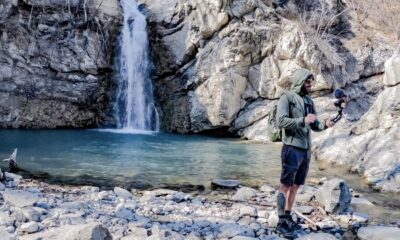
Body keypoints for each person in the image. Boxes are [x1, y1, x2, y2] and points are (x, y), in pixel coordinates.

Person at [275, 68, 335, 236]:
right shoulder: (286, 98)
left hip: (306, 150)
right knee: (285, 185)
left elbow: (315, 125)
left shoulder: (309, 100)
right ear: (300, 81)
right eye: (308, 82)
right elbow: (281, 121)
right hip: (291, 148)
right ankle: (281, 221)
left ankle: (287, 216)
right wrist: (302, 120)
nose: (311, 85)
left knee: (296, 185)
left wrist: (325, 124)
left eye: (311, 81)